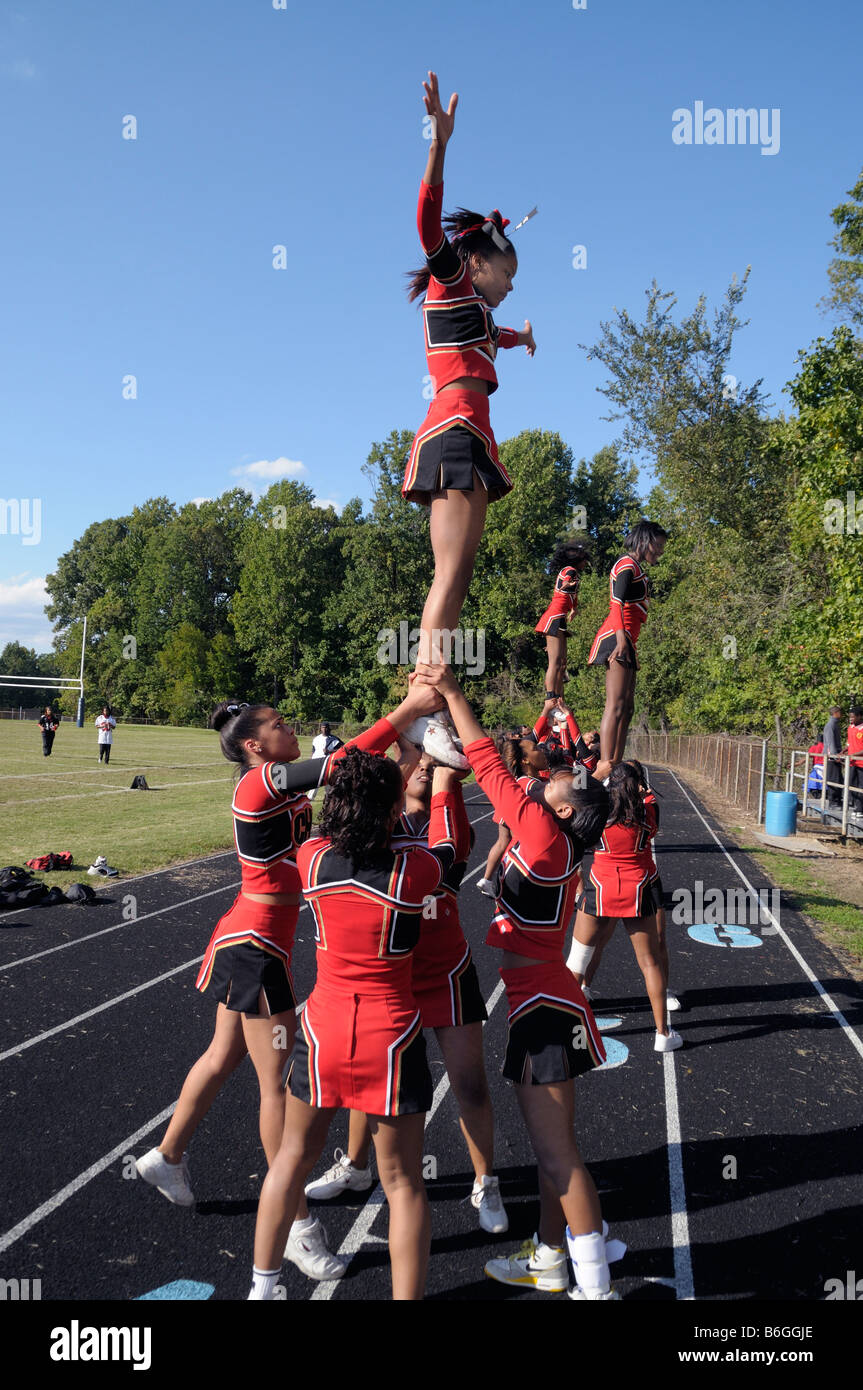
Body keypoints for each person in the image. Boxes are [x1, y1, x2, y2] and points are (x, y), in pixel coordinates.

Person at [136, 681, 443, 1284]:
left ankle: (166, 1156)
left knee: (222, 1055)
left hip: (248, 936)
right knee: (277, 1085)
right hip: (256, 943)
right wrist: (407, 714)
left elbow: (342, 773)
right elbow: (342, 764)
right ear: (254, 744)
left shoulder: (278, 784)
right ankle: (298, 1228)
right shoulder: (257, 782)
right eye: (277, 723)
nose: (288, 725)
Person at [415, 661, 623, 1302]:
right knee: (555, 1155)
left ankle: (595, 1285)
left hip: (545, 1010)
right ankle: (553, 1255)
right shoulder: (559, 842)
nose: (556, 774)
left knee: (560, 1159)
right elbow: (514, 771)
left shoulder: (538, 827)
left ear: (562, 807)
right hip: (552, 1002)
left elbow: (485, 762)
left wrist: (451, 691)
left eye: (561, 781)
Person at [248, 747, 469, 1301]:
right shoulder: (414, 868)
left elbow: (284, 802)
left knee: (291, 1161)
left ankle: (263, 1288)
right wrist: (442, 785)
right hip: (391, 1035)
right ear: (392, 803)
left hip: (321, 1029)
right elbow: (449, 850)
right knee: (402, 1183)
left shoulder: (312, 856)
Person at [306, 751, 508, 1235]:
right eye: (414, 756)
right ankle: (356, 1166)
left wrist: (444, 781)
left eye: (432, 758)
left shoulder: (446, 815)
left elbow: (453, 845)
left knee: (469, 1082)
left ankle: (485, 1180)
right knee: (365, 1080)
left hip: (442, 971)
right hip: (385, 977)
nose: (422, 763)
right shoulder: (371, 822)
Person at [404, 71, 535, 668]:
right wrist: (440, 143)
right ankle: (427, 692)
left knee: (459, 578)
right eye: (506, 274)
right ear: (477, 262)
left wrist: (521, 336)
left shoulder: (478, 315)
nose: (510, 286)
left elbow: (494, 336)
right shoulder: (451, 280)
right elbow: (428, 223)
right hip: (453, 428)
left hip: (473, 434)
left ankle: (433, 683)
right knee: (449, 574)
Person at [567, 762, 681, 1052]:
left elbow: (578, 796)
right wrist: (640, 789)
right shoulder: (647, 811)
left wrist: (598, 777)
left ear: (611, 785)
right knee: (649, 962)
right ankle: (662, 1034)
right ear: (638, 786)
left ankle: (563, 1027)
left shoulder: (597, 811)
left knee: (576, 962)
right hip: (638, 887)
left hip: (600, 888)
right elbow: (650, 805)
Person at [588, 520, 668, 768]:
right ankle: (606, 766)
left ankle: (616, 762)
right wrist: (622, 639)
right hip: (616, 637)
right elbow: (616, 602)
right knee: (615, 704)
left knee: (628, 708)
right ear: (645, 541)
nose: (661, 551)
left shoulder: (636, 567)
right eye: (658, 545)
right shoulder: (626, 564)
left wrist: (629, 642)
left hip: (628, 640)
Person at [535, 543, 592, 698]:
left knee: (562, 663)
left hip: (560, 618)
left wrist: (574, 609)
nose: (586, 564)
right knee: (555, 662)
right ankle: (550, 696)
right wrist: (568, 584)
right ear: (578, 560)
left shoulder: (573, 574)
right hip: (553, 617)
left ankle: (559, 696)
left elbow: (572, 595)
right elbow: (564, 585)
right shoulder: (570, 570)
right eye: (585, 560)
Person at [822, 706, 843, 808]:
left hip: (836, 755)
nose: (841, 714)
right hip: (832, 757)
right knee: (833, 779)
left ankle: (838, 800)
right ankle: (833, 802)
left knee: (839, 779)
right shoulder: (830, 725)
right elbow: (830, 743)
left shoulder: (835, 724)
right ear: (835, 713)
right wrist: (835, 756)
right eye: (840, 712)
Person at [845, 706, 863, 813]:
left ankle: (860, 809)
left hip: (861, 763)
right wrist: (843, 751)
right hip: (852, 762)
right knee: (850, 783)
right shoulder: (850, 728)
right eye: (850, 717)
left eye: (853, 717)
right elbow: (850, 744)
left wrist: (854, 754)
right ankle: (855, 805)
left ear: (860, 716)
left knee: (861, 786)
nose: (851, 719)